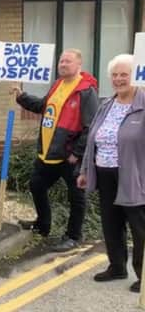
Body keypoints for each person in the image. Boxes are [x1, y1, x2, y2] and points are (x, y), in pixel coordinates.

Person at [12, 48, 98, 252]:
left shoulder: (85, 91)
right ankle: (43, 225)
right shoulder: (58, 84)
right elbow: (44, 106)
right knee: (36, 185)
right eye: (61, 61)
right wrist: (21, 97)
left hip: (69, 156)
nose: (63, 64)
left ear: (79, 65)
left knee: (76, 196)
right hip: (49, 153)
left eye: (68, 61)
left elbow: (91, 126)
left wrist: (76, 153)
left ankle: (73, 236)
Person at [78, 54, 145, 293]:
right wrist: (86, 169)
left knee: (140, 227)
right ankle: (117, 266)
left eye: (124, 74)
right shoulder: (107, 104)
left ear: (135, 75)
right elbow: (92, 140)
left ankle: (143, 276)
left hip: (135, 176)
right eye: (115, 75)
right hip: (105, 173)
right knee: (111, 222)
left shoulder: (143, 104)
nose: (118, 79)